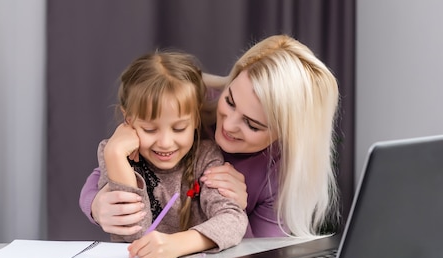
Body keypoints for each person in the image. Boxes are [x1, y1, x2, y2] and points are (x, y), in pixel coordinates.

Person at [80, 34, 340, 238]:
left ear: (285, 134)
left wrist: (237, 210)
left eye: (252, 124)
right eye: (230, 100)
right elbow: (108, 168)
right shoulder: (191, 106)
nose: (229, 124)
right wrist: (95, 204)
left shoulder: (280, 174)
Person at [95, 50, 247, 258]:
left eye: (179, 128)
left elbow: (233, 220)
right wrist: (115, 155)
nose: (165, 143)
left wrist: (178, 244)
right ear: (128, 119)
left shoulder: (206, 157)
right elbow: (131, 234)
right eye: (149, 129)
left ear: (195, 119)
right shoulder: (114, 153)